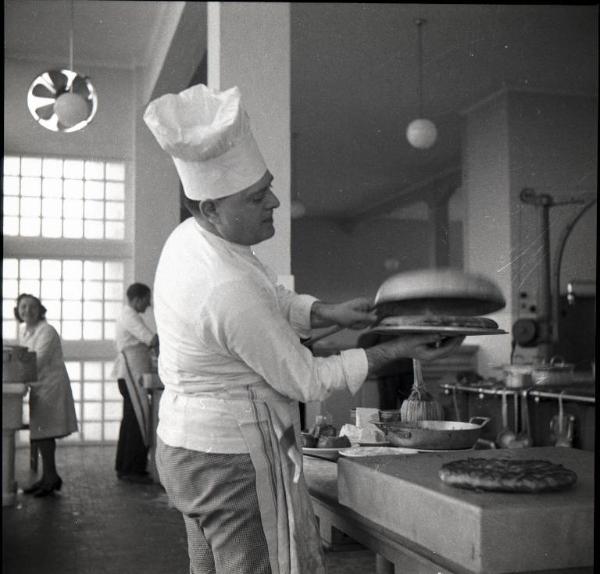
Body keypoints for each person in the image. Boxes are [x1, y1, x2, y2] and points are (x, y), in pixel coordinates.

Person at [143, 83, 464, 574]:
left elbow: (271, 297)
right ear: (210, 208)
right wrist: (394, 349)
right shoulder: (225, 286)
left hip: (187, 446)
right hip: (230, 459)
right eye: (256, 197)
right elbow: (306, 381)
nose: (273, 200)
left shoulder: (192, 238)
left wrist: (327, 312)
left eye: (267, 185)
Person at [15, 294, 78, 497]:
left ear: (40, 310)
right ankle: (48, 477)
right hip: (39, 387)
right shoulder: (25, 331)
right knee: (41, 434)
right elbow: (22, 359)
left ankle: (51, 478)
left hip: (51, 387)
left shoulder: (47, 331)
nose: (27, 311)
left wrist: (18, 376)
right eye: (23, 307)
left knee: (45, 433)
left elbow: (37, 361)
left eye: (32, 307)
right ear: (17, 310)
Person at [113, 282, 159, 484]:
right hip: (132, 372)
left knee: (132, 420)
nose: (148, 305)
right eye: (147, 300)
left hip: (133, 372)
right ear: (138, 299)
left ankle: (125, 466)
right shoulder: (129, 315)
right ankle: (132, 469)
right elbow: (151, 339)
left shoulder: (130, 315)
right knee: (138, 420)